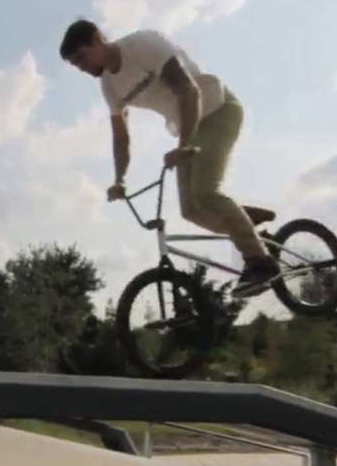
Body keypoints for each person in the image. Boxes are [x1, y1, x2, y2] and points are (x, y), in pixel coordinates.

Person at [59, 19, 281, 297]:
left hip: (218, 110)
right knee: (191, 210)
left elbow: (188, 89)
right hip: (189, 130)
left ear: (97, 39)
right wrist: (119, 180)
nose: (82, 67)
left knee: (205, 193)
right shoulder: (109, 85)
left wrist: (184, 143)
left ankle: (260, 262)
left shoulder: (143, 45)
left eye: (82, 57)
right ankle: (255, 235)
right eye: (75, 65)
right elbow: (121, 136)